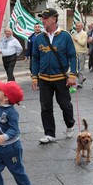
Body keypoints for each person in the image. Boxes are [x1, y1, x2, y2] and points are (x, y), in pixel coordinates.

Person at [31, 8, 78, 144]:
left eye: (45, 18)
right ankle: (49, 133)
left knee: (65, 105)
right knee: (45, 107)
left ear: (54, 19)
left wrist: (73, 75)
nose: (43, 21)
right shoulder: (39, 37)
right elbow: (35, 58)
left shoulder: (65, 36)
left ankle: (70, 125)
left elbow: (72, 56)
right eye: (42, 18)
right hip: (44, 79)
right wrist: (35, 77)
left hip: (61, 78)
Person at [71, 21, 87, 89]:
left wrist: (76, 40)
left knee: (81, 68)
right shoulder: (73, 34)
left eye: (79, 26)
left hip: (81, 52)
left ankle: (80, 83)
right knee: (74, 69)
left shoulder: (84, 33)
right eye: (77, 26)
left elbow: (83, 43)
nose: (77, 27)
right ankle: (82, 77)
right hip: (74, 53)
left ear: (82, 27)